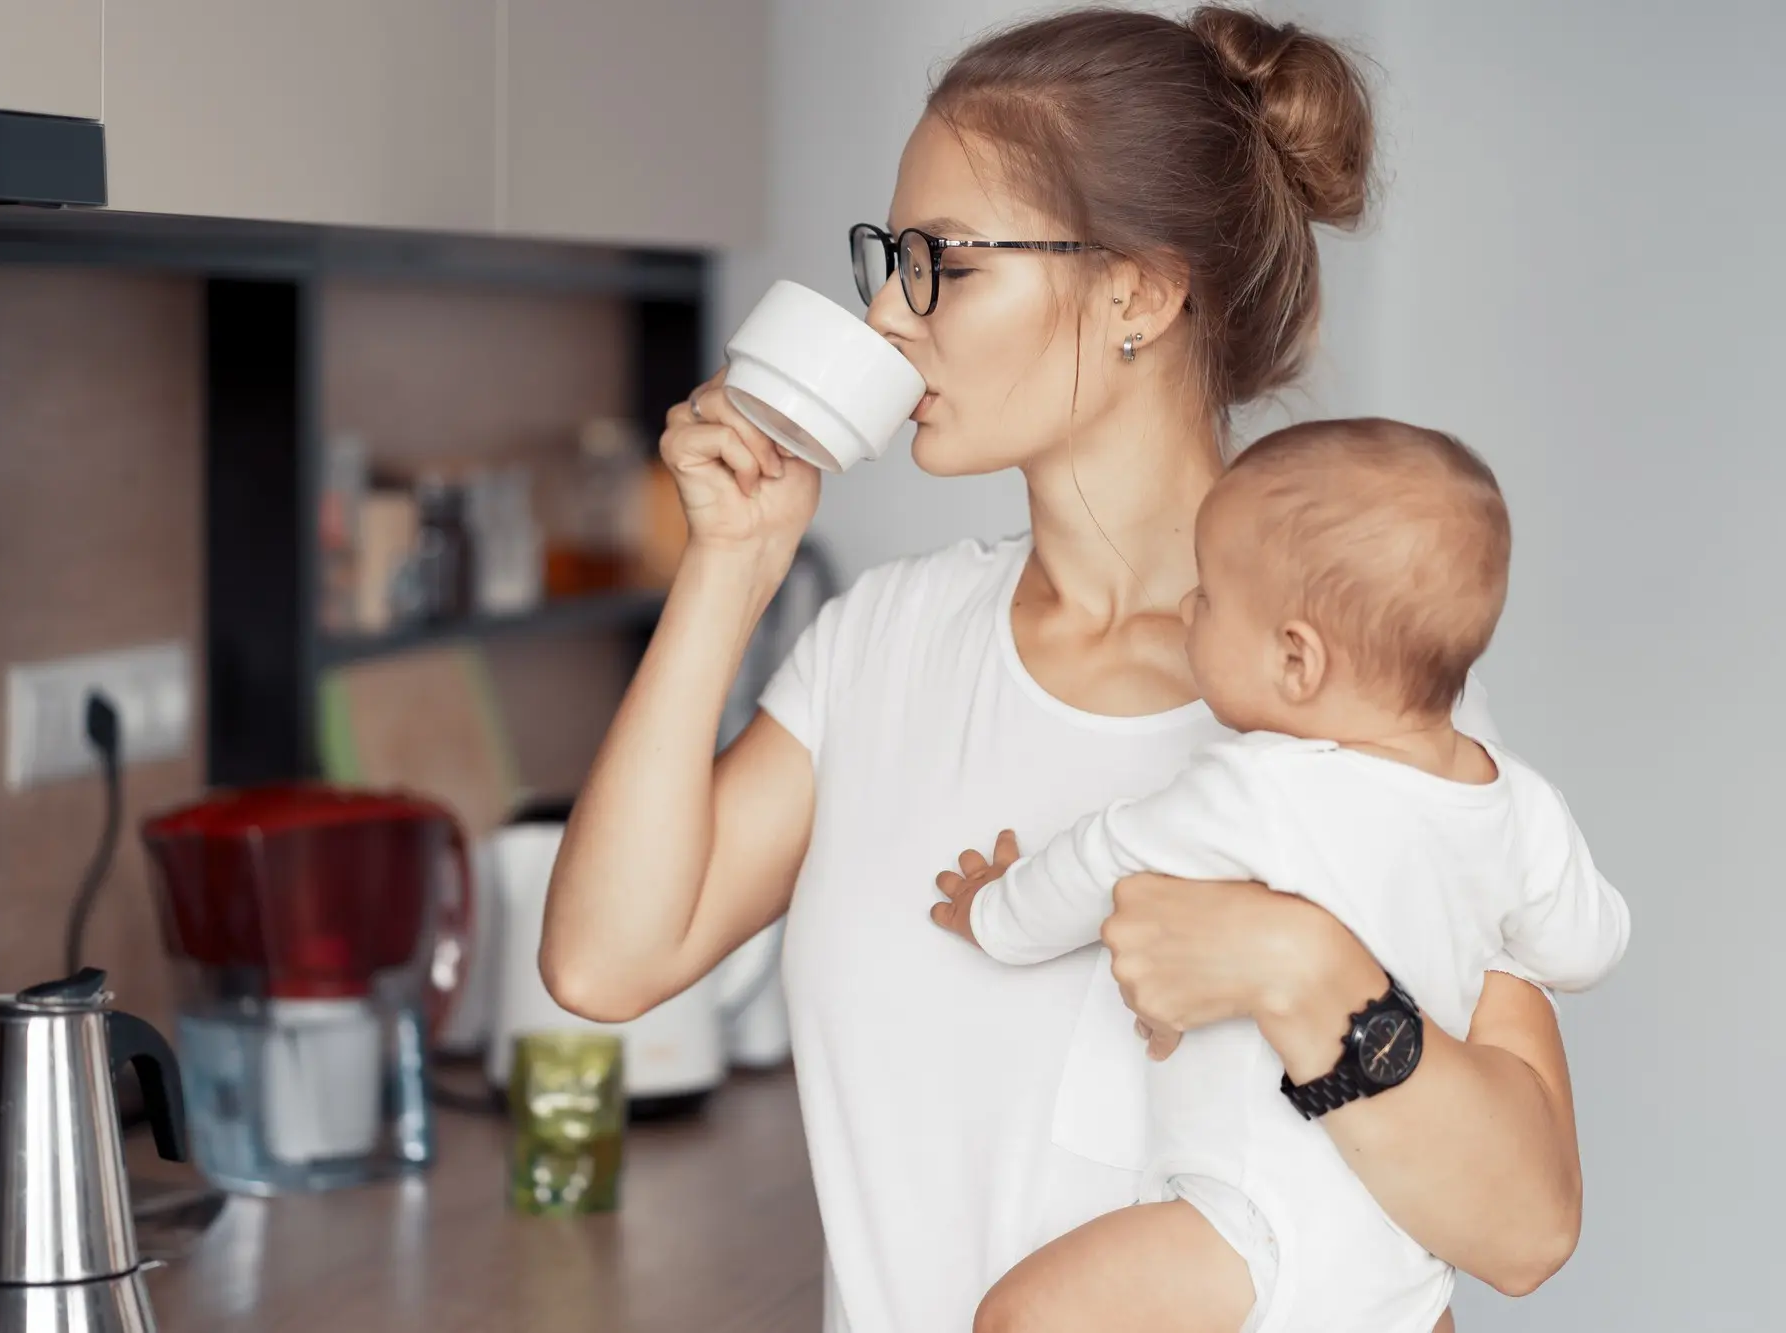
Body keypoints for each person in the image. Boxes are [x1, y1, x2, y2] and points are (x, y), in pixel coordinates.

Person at [543, 8, 1587, 1331]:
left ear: (1137, 292)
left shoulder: (1346, 696)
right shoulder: (886, 640)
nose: (885, 313)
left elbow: (1528, 1224)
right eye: (886, 256)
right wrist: (731, 566)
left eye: (941, 264)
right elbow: (604, 962)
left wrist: (1302, 963)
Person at [931, 418, 1630, 1333]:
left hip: (1246, 1223)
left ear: (1297, 659)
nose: (1187, 612)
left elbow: (1100, 859)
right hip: (1399, 1255)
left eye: (1209, 599)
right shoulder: (1520, 803)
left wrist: (994, 909)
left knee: (1019, 1319)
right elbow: (1590, 943)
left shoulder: (1256, 783)